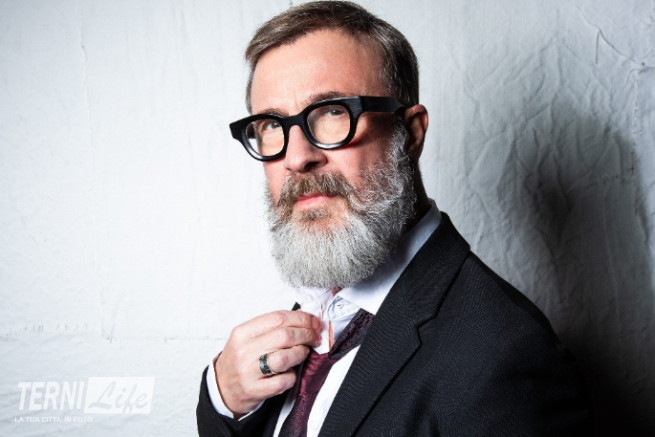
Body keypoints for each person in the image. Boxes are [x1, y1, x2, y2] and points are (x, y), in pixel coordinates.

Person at [197, 2, 592, 436]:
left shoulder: (503, 359)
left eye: (332, 113)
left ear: (411, 133)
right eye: (271, 125)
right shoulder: (327, 296)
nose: (296, 158)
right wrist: (226, 401)